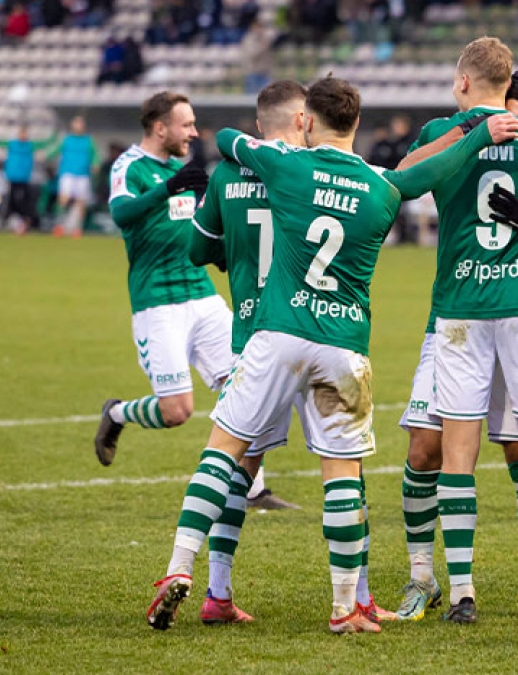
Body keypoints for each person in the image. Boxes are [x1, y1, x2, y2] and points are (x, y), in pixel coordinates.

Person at [145, 77, 513, 634]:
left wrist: (255, 144)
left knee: (223, 453)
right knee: (342, 475)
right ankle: (345, 608)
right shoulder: (383, 187)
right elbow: (426, 175)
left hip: (277, 333)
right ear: (358, 125)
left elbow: (225, 138)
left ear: (307, 122)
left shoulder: (287, 167)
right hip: (343, 346)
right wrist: (478, 135)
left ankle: (178, 569)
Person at [395, 37, 518, 625]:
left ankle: (464, 593)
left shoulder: (444, 131)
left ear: (462, 83)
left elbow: (400, 183)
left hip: (461, 309)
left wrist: (470, 135)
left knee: (460, 453)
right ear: (509, 88)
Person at [183, 81, 321, 626]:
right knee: (343, 466)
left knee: (240, 464)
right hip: (312, 330)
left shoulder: (226, 173)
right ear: (303, 119)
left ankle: (216, 590)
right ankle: (354, 595)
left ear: (260, 125)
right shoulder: (310, 173)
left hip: (249, 338)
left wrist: (234, 251)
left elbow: (198, 250)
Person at [93, 92, 224, 463]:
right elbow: (121, 214)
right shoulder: (129, 166)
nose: (195, 133)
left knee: (244, 389)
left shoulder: (181, 172)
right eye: (187, 125)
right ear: (160, 127)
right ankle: (116, 413)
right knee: (176, 412)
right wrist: (168, 188)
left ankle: (252, 489)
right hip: (157, 301)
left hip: (203, 294)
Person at [0, 124, 59, 234]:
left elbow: (44, 143)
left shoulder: (30, 145)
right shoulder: (13, 144)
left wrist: (53, 136)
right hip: (12, 177)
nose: (23, 136)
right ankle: (9, 221)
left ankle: (26, 223)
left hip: (24, 178)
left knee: (24, 201)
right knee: (12, 200)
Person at [48, 115, 98, 237]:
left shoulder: (88, 140)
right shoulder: (67, 140)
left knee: (81, 201)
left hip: (83, 174)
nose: (78, 126)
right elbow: (55, 151)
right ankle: (59, 225)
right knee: (63, 199)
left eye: (80, 124)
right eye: (76, 123)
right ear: (72, 125)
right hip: (67, 172)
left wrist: (96, 164)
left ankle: (77, 228)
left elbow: (95, 155)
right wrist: (46, 156)